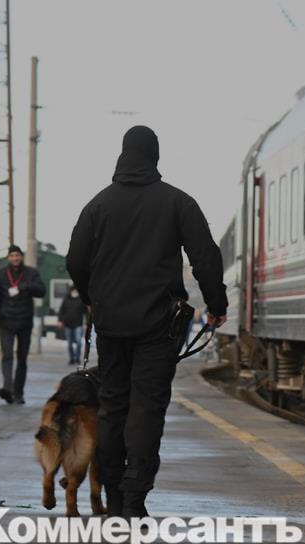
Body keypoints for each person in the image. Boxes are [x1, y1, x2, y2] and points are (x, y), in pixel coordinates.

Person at [66, 125, 227, 519]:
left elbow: (75, 260)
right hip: (158, 325)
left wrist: (92, 299)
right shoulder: (177, 202)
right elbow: (205, 256)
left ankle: (115, 497)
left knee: (112, 406)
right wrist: (216, 303)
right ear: (155, 156)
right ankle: (135, 500)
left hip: (111, 325)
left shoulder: (98, 205)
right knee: (147, 409)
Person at [0, 245, 45, 404]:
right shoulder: (1, 274)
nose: (15, 258)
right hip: (6, 321)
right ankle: (8, 389)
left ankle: (19, 393)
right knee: (7, 356)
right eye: (12, 255)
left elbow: (42, 291)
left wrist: (26, 286)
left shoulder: (31, 273)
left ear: (21, 256)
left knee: (22, 359)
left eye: (17, 255)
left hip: (24, 322)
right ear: (8, 257)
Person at [57, 284, 87, 365]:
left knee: (78, 342)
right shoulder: (66, 299)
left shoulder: (81, 299)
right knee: (69, 343)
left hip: (78, 324)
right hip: (67, 324)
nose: (74, 292)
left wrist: (86, 323)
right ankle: (72, 358)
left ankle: (77, 358)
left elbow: (86, 312)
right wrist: (60, 321)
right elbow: (61, 310)